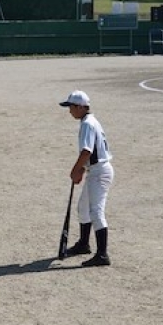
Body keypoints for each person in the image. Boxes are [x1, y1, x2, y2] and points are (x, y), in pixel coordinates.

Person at [59, 90, 114, 267]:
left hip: (100, 172)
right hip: (95, 170)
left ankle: (102, 254)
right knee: (83, 207)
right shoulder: (90, 121)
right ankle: (84, 244)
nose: (70, 111)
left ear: (80, 107)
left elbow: (86, 151)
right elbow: (91, 151)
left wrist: (75, 170)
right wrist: (82, 169)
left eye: (71, 107)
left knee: (96, 211)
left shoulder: (87, 124)